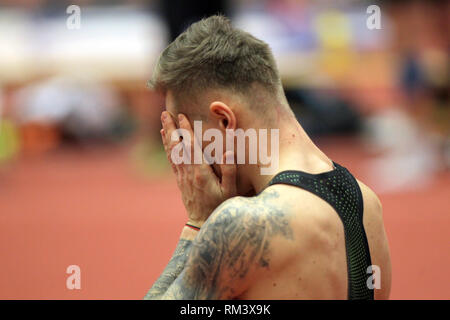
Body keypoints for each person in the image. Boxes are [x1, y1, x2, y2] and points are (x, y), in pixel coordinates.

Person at [144, 15, 391, 300]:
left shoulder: (242, 223)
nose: (183, 158)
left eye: (184, 138)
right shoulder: (367, 203)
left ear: (224, 121)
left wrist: (198, 222)